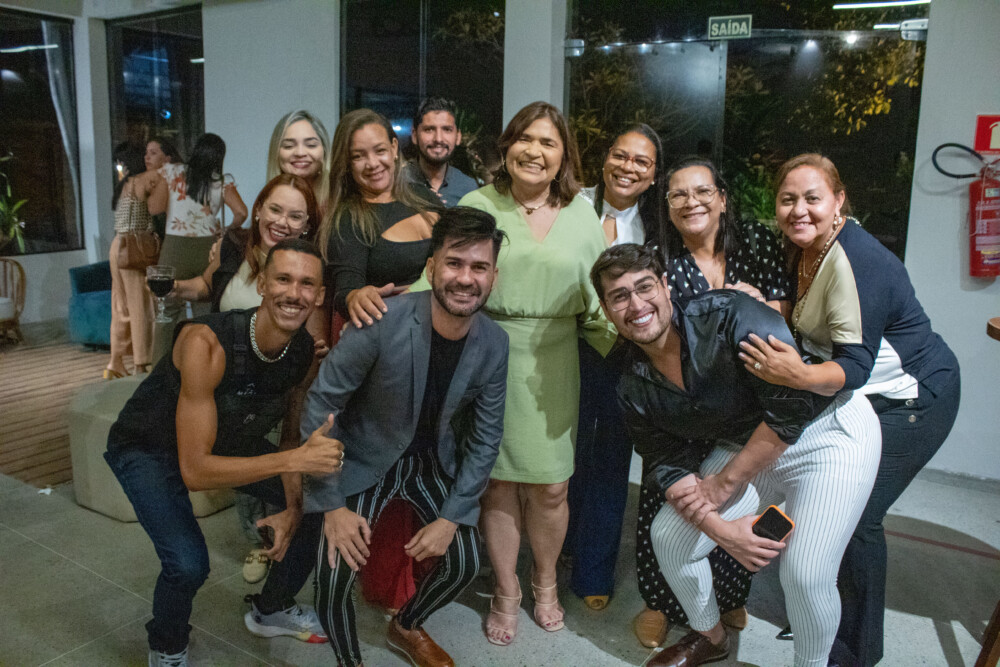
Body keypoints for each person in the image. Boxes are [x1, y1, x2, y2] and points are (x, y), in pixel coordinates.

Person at [592, 243, 881, 667]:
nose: (636, 305)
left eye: (644, 287)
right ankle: (710, 637)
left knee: (805, 575)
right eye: (619, 296)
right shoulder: (626, 379)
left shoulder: (730, 315)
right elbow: (665, 461)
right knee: (669, 538)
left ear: (666, 286)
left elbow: (789, 413)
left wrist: (724, 484)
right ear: (605, 309)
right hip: (746, 448)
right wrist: (723, 532)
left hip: (825, 434)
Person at [739, 154, 961, 666]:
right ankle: (820, 606)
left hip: (913, 399)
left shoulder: (860, 261)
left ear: (839, 201)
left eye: (812, 198)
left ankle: (854, 651)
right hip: (858, 397)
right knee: (822, 502)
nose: (799, 210)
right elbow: (803, 317)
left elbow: (855, 366)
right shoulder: (803, 248)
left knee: (858, 515)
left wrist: (795, 375)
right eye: (787, 199)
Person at [104, 239, 342, 667]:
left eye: (307, 284)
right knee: (188, 564)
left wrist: (292, 506)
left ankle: (271, 608)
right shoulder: (205, 343)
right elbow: (196, 472)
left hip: (224, 437)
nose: (294, 293)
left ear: (320, 295)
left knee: (316, 505)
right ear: (262, 284)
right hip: (146, 446)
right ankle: (168, 645)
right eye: (283, 279)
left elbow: (290, 439)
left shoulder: (303, 350)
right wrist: (294, 462)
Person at [301, 207, 509, 667]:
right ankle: (350, 661)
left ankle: (407, 625)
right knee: (334, 577)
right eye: (454, 263)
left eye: (479, 267)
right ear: (431, 267)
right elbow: (321, 405)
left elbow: (486, 437)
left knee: (464, 562)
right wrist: (330, 505)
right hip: (362, 456)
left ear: (494, 277)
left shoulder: (495, 342)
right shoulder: (381, 320)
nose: (466, 278)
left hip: (430, 461)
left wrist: (452, 517)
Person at [445, 101, 616, 646]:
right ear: (507, 145)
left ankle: (544, 582)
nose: (535, 151)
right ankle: (505, 589)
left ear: (564, 155)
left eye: (548, 142)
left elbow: (600, 298)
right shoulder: (477, 203)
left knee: (551, 486)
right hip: (488, 352)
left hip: (556, 358)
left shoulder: (582, 214)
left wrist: (640, 345)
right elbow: (444, 275)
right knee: (496, 483)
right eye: (525, 138)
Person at [633, 156, 793, 647]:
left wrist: (756, 305)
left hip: (744, 399)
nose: (691, 202)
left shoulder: (757, 241)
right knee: (668, 500)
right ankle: (660, 602)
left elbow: (782, 309)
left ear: (722, 198)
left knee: (735, 500)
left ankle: (726, 597)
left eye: (702, 191)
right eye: (678, 194)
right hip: (684, 399)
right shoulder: (659, 256)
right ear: (667, 205)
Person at [317, 107, 443, 612]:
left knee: (428, 461)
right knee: (389, 464)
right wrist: (357, 296)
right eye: (358, 156)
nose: (372, 163)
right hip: (387, 358)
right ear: (346, 165)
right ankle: (392, 586)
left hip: (438, 351)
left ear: (395, 148)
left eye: (378, 150)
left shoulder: (424, 199)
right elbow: (344, 288)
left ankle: (427, 566)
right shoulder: (349, 217)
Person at [172, 173, 324, 584]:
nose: (282, 221)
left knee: (272, 460)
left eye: (296, 215)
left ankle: (277, 534)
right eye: (275, 209)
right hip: (223, 376)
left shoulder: (307, 266)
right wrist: (172, 287)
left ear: (307, 225)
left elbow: (312, 332)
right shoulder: (233, 247)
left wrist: (309, 358)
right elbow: (207, 287)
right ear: (258, 210)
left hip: (275, 379)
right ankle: (257, 539)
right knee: (240, 463)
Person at [565, 123, 667, 610]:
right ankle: (558, 547)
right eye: (621, 155)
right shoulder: (571, 204)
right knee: (566, 457)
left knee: (610, 459)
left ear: (654, 175)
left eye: (641, 162)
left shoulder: (660, 224)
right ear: (605, 158)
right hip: (566, 346)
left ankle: (593, 572)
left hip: (628, 354)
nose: (628, 168)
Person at [159, 133, 248, 338]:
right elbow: (242, 212)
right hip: (206, 248)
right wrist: (227, 229)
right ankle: (201, 352)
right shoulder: (222, 181)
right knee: (205, 307)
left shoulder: (173, 171)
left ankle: (164, 355)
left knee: (167, 308)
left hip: (174, 247)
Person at [106, 140, 170, 379]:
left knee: (120, 306)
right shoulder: (148, 178)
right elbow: (158, 209)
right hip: (136, 248)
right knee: (141, 306)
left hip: (118, 246)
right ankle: (142, 364)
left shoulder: (123, 183)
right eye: (145, 154)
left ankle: (114, 362)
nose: (147, 158)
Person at [403, 97, 479, 207]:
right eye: (429, 129)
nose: (438, 139)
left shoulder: (468, 188)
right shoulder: (398, 183)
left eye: (447, 129)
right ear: (414, 135)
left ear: (458, 137)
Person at [266, 109, 331, 214]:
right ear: (276, 153)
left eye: (311, 145)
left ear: (325, 151)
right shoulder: (266, 203)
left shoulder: (339, 201)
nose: (300, 153)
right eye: (289, 146)